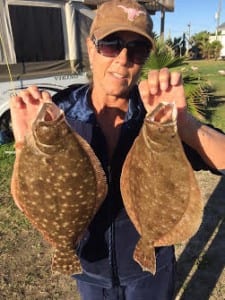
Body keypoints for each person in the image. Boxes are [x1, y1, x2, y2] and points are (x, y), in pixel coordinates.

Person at [10, 0, 225, 299]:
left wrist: (184, 124)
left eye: (137, 49)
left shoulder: (156, 115)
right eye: (110, 44)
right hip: (89, 267)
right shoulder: (60, 113)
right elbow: (29, 200)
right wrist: (24, 145)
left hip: (151, 269)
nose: (124, 59)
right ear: (90, 46)